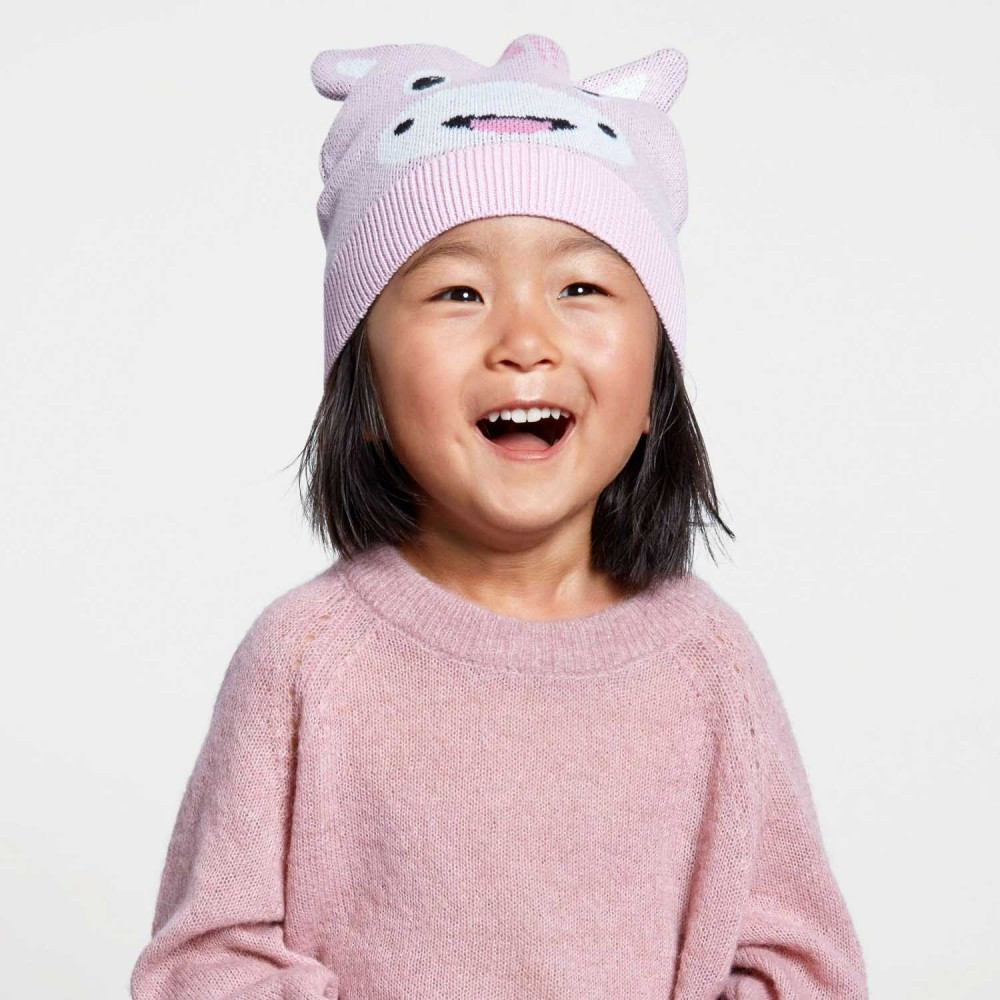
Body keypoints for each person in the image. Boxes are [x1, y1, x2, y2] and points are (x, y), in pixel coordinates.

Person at [129, 32, 869, 1000]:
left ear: (657, 382)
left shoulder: (708, 664)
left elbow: (800, 967)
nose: (524, 340)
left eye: (581, 287)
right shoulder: (305, 657)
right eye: (459, 291)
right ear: (362, 384)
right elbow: (205, 964)